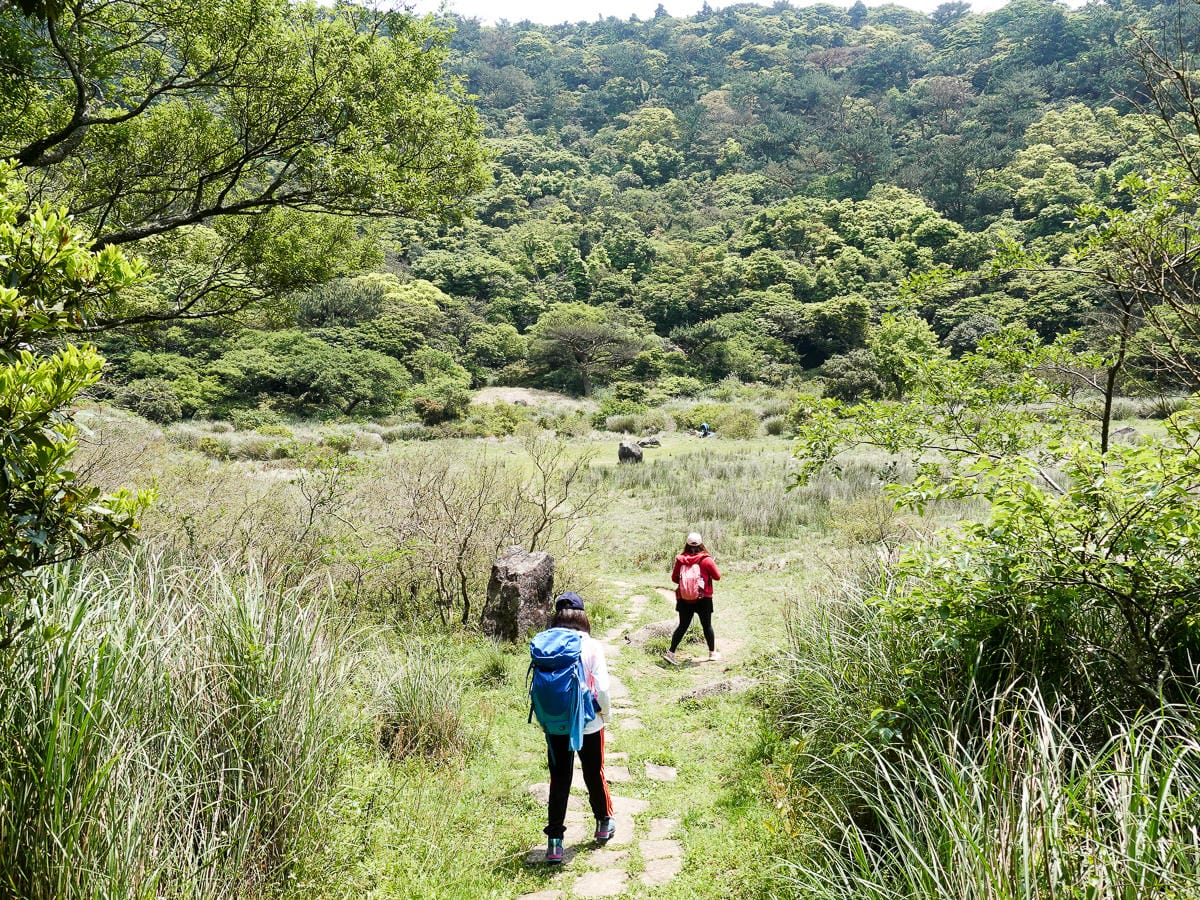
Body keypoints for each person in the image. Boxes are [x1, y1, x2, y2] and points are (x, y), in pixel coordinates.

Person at [537, 592, 614, 864]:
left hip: (555, 722)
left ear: (557, 615)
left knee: (559, 779)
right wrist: (605, 714)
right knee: (594, 772)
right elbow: (602, 687)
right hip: (588, 721)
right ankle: (603, 822)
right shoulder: (592, 645)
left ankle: (555, 842)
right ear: (582, 615)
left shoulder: (544, 644)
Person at [665, 532, 722, 665]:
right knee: (707, 626)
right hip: (704, 598)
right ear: (701, 544)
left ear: (687, 544)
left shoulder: (680, 560)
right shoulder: (706, 560)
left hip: (684, 598)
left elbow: (674, 579)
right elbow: (717, 576)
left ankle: (671, 653)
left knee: (682, 626)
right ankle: (712, 653)